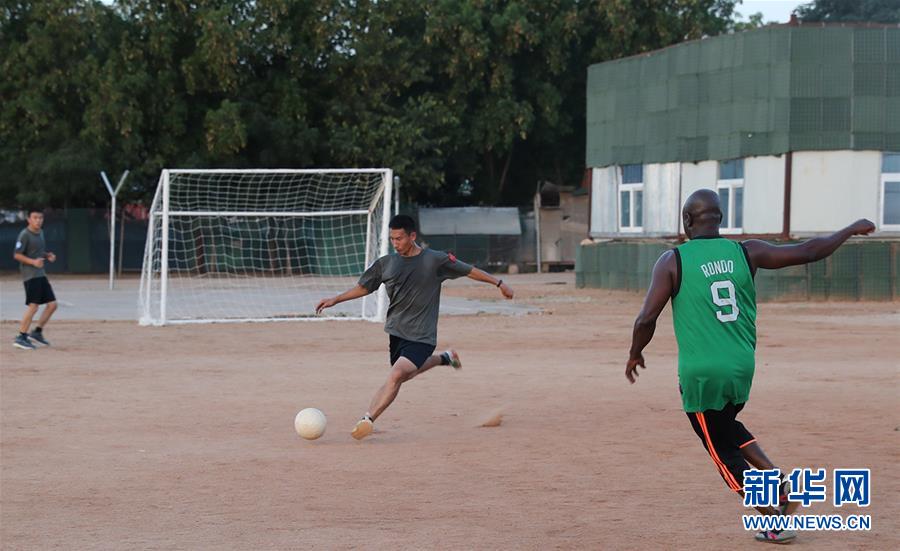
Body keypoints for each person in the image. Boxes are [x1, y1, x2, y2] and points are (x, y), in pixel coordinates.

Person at [625, 189, 875, 544]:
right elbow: (808, 251)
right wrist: (848, 229)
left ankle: (774, 520)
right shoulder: (747, 251)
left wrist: (636, 353)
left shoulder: (672, 261)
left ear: (686, 222)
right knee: (727, 425)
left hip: (702, 376)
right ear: (720, 219)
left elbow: (646, 318)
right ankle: (783, 488)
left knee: (722, 450)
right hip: (742, 370)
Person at [316, 214, 514, 440]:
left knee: (396, 375)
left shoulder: (434, 260)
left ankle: (367, 420)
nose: (395, 243)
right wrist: (335, 299)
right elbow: (363, 288)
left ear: (412, 236)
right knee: (403, 375)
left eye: (399, 238)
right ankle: (445, 358)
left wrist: (499, 283)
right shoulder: (386, 264)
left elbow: (469, 270)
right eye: (392, 239)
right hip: (397, 333)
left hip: (423, 335)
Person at [13, 208, 58, 350]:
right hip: (30, 276)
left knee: (52, 305)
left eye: (40, 218)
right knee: (34, 307)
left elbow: (37, 252)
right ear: (29, 219)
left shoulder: (40, 233)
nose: (38, 220)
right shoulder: (24, 234)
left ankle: (36, 333)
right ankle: (21, 337)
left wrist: (47, 255)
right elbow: (17, 255)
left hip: (40, 274)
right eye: (35, 218)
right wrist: (33, 262)